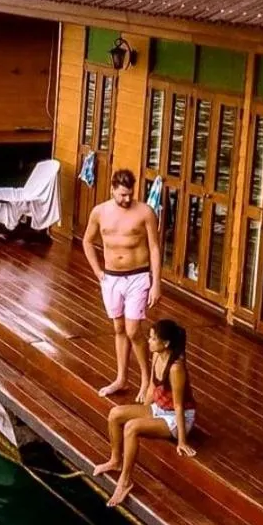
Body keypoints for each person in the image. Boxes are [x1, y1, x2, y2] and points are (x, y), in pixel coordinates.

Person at [93, 318, 197, 507]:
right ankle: (116, 460)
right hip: (160, 409)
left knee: (132, 428)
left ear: (165, 343)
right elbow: (151, 386)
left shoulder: (176, 368)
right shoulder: (157, 355)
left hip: (176, 417)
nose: (148, 342)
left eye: (152, 339)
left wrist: (182, 441)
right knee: (115, 414)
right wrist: (143, 410)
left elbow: (180, 406)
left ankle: (125, 481)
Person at [82, 169, 161, 401]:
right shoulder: (99, 212)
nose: (127, 199)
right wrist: (97, 271)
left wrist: (156, 283)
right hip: (111, 277)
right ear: (113, 189)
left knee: (133, 329)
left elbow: (154, 248)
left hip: (138, 276)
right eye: (122, 195)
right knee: (118, 329)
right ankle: (121, 378)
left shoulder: (145, 212)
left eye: (130, 194)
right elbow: (87, 241)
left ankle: (147, 380)